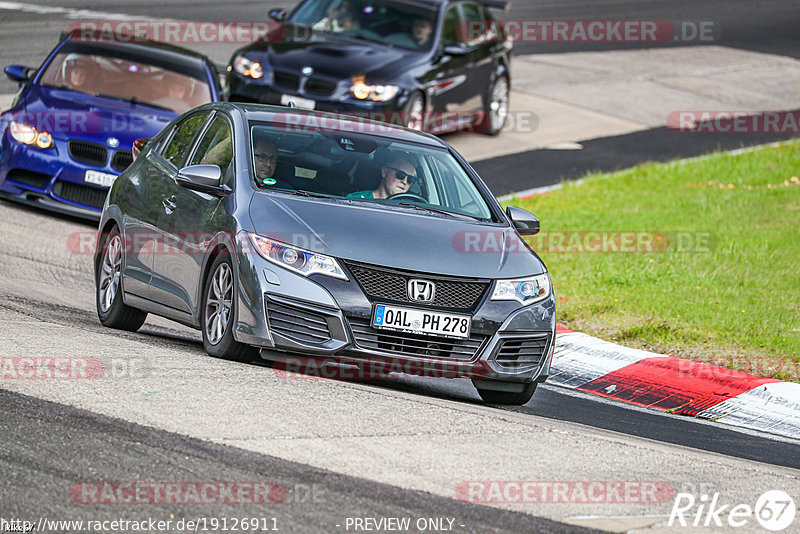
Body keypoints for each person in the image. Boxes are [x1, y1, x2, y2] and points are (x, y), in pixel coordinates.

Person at [347, 153, 418, 199]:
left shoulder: (411, 208)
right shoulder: (356, 199)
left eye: (411, 179)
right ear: (384, 172)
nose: (405, 182)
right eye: (401, 175)